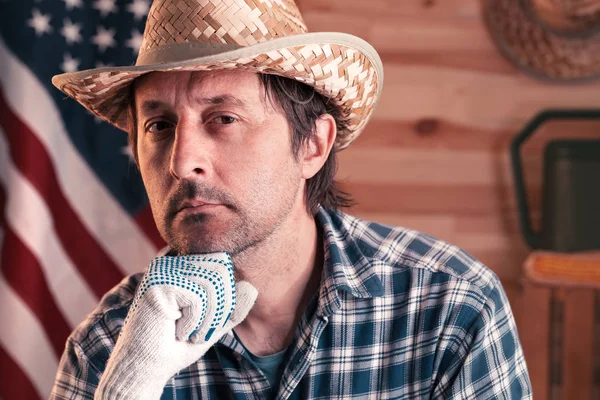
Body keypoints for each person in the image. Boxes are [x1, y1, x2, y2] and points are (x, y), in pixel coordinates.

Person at [49, 0, 533, 398]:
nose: (181, 162)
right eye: (159, 126)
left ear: (312, 146)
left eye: (224, 119)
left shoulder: (450, 309)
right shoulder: (110, 345)